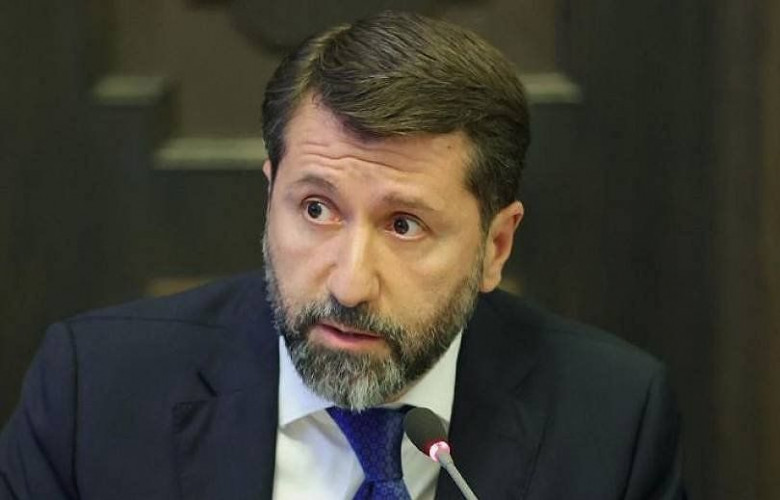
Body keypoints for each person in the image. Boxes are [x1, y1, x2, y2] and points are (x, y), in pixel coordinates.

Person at [0, 11, 685, 500]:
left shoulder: (611, 422)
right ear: (270, 197)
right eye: (316, 209)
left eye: (405, 225)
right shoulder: (95, 392)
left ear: (494, 247)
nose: (350, 285)